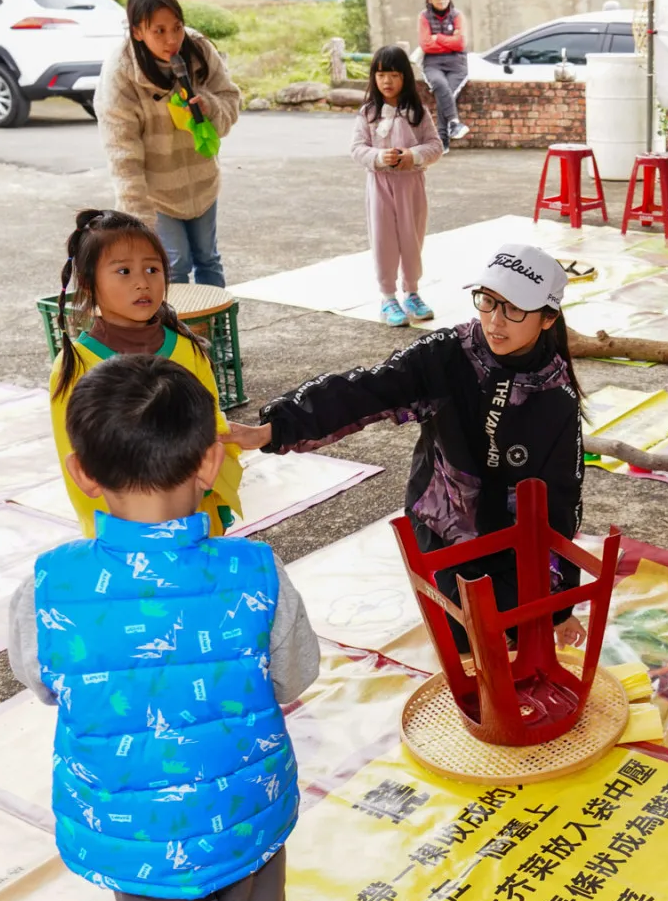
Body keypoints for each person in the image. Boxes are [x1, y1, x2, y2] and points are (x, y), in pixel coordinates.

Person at [7, 356, 321, 901]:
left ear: (80, 473)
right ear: (211, 459)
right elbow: (295, 675)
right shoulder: (256, 572)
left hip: (131, 829)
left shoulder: (51, 585)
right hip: (244, 809)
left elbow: (43, 682)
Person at [228, 245, 586, 649]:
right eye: (488, 301)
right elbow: (366, 389)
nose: (495, 320)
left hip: (511, 539)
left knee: (522, 635)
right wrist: (276, 428)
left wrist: (560, 605)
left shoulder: (556, 397)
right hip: (444, 525)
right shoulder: (448, 355)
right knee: (467, 642)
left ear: (548, 318)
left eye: (514, 308)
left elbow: (561, 502)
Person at [50, 208, 244, 537]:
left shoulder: (187, 347)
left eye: (153, 269)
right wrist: (107, 531)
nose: (143, 282)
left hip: (195, 519)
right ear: (88, 282)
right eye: (123, 271)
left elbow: (215, 429)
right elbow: (76, 457)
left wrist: (210, 498)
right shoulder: (75, 366)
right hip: (123, 533)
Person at [99, 0, 241, 286]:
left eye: (176, 27)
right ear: (137, 31)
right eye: (159, 31)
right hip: (157, 193)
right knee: (174, 264)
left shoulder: (199, 50)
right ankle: (179, 332)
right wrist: (137, 219)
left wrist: (210, 105)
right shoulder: (121, 74)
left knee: (208, 258)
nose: (172, 39)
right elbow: (122, 152)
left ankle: (213, 332)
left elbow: (229, 98)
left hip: (201, 181)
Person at [352, 45, 442, 328]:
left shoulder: (417, 112)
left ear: (405, 76)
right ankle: (388, 297)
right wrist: (379, 157)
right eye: (381, 75)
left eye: (393, 74)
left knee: (411, 238)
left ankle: (412, 292)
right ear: (373, 78)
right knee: (384, 240)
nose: (387, 81)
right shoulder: (367, 113)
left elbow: (435, 145)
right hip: (379, 186)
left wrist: (412, 155)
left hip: (411, 186)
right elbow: (356, 148)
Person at [419, 0, 470, 145]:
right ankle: (454, 123)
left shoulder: (457, 15)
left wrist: (438, 38)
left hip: (457, 63)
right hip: (433, 63)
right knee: (440, 85)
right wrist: (449, 42)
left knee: (445, 94)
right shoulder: (424, 17)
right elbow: (426, 45)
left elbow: (460, 43)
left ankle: (443, 140)